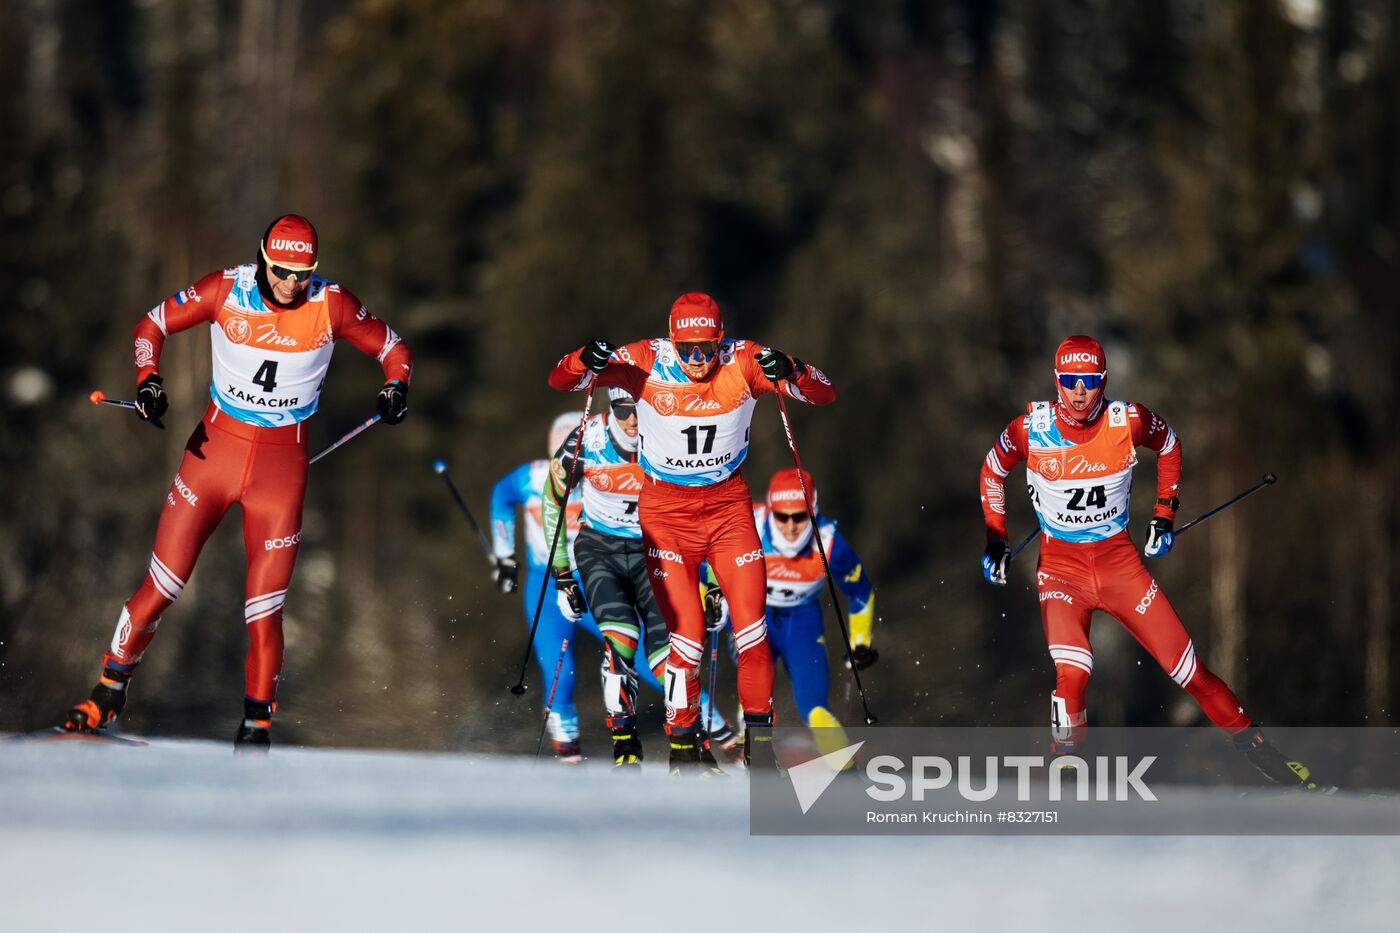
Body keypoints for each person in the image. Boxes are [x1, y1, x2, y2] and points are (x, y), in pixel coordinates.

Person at [63, 214, 412, 753]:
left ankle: (256, 731)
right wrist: (148, 380)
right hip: (212, 455)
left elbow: (395, 350)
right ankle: (107, 692)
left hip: (280, 471)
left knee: (264, 611)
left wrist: (396, 388)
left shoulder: (333, 303)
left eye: (303, 272)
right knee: (162, 586)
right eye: (281, 271)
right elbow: (150, 325)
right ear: (262, 259)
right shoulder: (225, 289)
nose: (293, 283)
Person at [977, 334, 1325, 790]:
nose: (1079, 392)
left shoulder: (1130, 420)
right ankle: (1065, 771)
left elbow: (1170, 445)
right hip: (1062, 569)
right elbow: (992, 469)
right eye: (1069, 381)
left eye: (1088, 381)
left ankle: (1267, 758)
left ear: (1103, 381)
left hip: (1119, 564)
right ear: (1056, 381)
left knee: (1189, 670)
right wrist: (995, 539)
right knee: (1073, 671)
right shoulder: (1030, 428)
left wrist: (1164, 516)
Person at [548, 292, 836, 773]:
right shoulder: (644, 360)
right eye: (687, 349)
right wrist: (583, 358)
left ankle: (758, 748)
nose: (697, 360)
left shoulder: (743, 360)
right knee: (687, 638)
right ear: (671, 339)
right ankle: (682, 743)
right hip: (667, 514)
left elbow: (823, 392)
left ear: (719, 339)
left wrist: (794, 368)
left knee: (752, 632)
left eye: (706, 347)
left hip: (727, 510)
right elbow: (561, 380)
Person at [541, 387, 737, 769]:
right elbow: (553, 497)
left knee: (671, 655)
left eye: (639, 410)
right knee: (621, 640)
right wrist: (562, 574)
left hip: (658, 551)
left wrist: (714, 583)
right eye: (622, 409)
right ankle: (625, 741)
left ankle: (688, 743)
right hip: (601, 549)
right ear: (610, 408)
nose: (632, 420)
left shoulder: (674, 437)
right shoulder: (587, 439)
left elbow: (710, 509)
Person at [707, 468, 875, 761]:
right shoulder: (750, 526)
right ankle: (752, 760)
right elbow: (707, 564)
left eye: (799, 516)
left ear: (813, 510)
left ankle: (847, 775)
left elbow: (860, 592)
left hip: (802, 623)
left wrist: (860, 641)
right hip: (751, 615)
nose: (790, 526)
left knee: (815, 707)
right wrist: (711, 598)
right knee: (758, 689)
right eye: (782, 516)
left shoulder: (830, 542)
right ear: (771, 510)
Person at [489, 412, 601, 763]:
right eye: (564, 454)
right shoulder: (533, 478)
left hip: (599, 585)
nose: (571, 464)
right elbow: (501, 495)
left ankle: (716, 732)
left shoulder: (607, 475)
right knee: (559, 674)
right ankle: (567, 751)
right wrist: (505, 556)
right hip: (546, 587)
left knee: (647, 659)